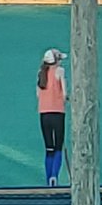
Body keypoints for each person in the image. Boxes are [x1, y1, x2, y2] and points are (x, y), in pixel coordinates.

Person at [36, 48, 68, 187]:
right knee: (58, 147)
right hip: (58, 113)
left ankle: (48, 178)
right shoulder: (60, 72)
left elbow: (38, 94)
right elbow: (65, 93)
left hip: (44, 114)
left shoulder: (41, 74)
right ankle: (54, 175)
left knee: (49, 148)